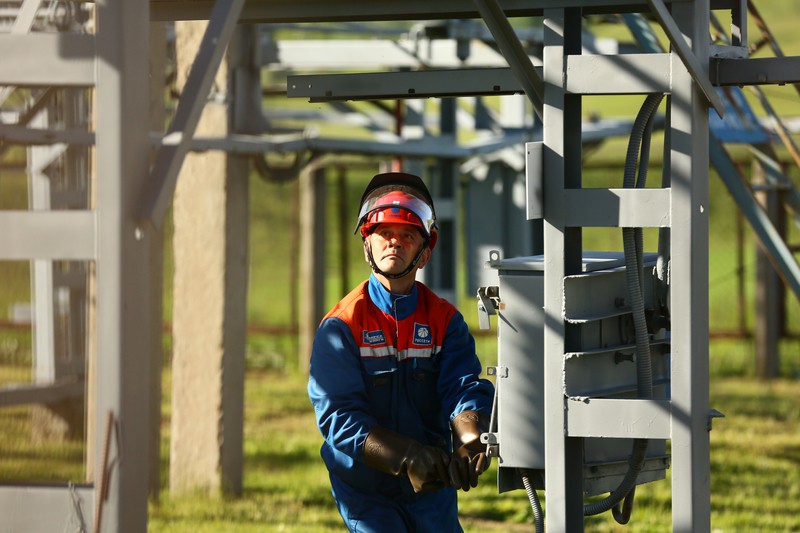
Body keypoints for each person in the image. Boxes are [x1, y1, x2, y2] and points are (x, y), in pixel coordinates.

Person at [307, 171, 496, 532]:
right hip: (365, 490)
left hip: (431, 486)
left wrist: (472, 438)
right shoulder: (342, 326)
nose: (394, 243)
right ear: (368, 244)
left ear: (425, 251)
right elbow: (338, 417)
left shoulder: (445, 321)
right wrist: (407, 456)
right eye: (385, 234)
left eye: (407, 235)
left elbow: (462, 387)